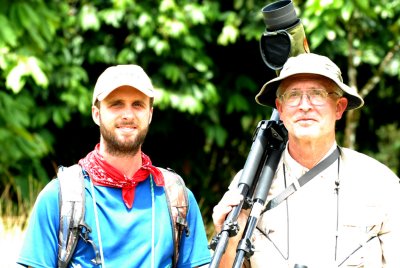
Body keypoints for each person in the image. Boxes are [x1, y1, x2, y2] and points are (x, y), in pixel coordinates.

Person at [212, 53, 400, 267]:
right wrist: (228, 238)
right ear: (280, 109)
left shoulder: (380, 183)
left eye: (317, 94)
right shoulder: (249, 184)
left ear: (339, 107)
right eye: (293, 95)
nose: (304, 105)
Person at [17, 64, 211, 267]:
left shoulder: (177, 198)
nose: (128, 115)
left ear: (150, 114)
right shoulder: (60, 197)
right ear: (96, 114)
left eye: (138, 104)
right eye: (116, 104)